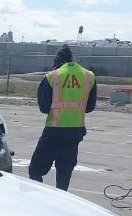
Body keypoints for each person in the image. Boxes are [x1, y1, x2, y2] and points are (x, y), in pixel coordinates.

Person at [28, 44, 97, 191]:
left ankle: (38, 199)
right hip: (74, 134)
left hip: (53, 132)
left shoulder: (52, 76)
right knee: (64, 176)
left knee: (35, 169)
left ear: (57, 60)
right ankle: (60, 205)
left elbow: (44, 107)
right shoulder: (88, 76)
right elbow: (90, 107)